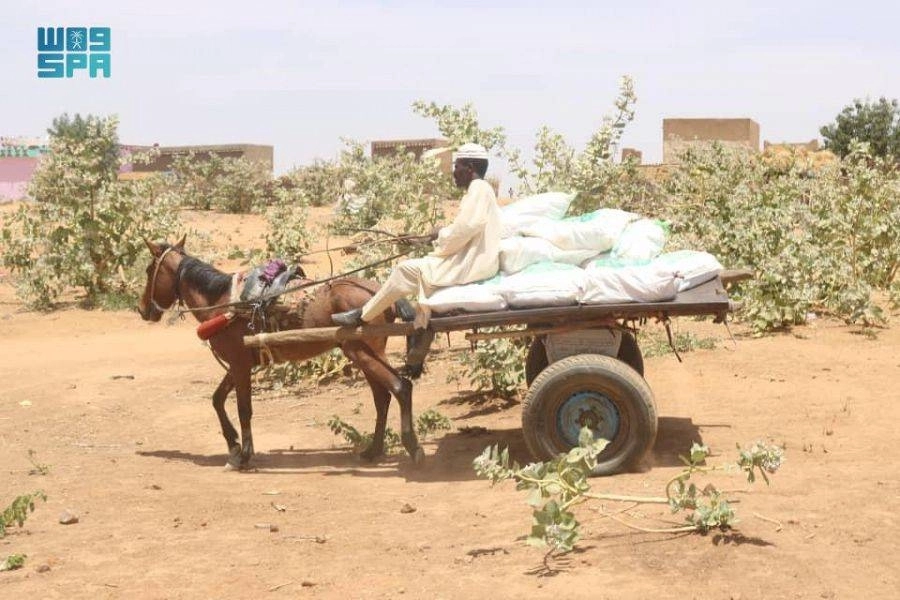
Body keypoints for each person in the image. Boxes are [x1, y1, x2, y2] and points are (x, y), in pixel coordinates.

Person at [331, 142, 501, 326]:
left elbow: (467, 227)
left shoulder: (478, 188)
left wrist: (439, 234)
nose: (453, 172)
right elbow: (464, 229)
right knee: (414, 271)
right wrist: (428, 238)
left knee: (404, 270)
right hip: (472, 260)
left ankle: (363, 316)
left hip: (472, 264)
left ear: (470, 168)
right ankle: (399, 309)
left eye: (457, 166)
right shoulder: (482, 190)